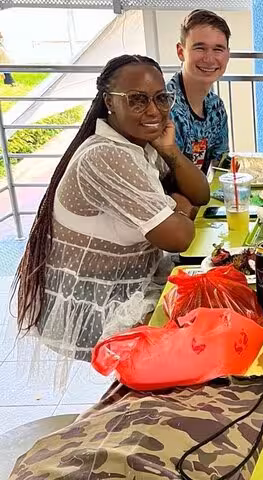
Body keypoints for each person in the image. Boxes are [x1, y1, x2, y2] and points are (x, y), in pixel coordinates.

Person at [13, 54, 210, 368]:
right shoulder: (105, 155)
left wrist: (170, 151)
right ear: (109, 102)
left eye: (161, 98)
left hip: (137, 283)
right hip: (106, 307)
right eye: (137, 100)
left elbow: (200, 193)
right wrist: (179, 205)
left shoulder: (139, 144)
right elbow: (179, 237)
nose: (153, 110)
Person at [167, 9, 231, 175]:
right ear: (181, 52)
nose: (209, 59)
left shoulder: (216, 106)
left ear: (227, 54)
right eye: (200, 48)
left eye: (218, 49)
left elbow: (220, 167)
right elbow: (165, 182)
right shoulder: (164, 108)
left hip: (203, 196)